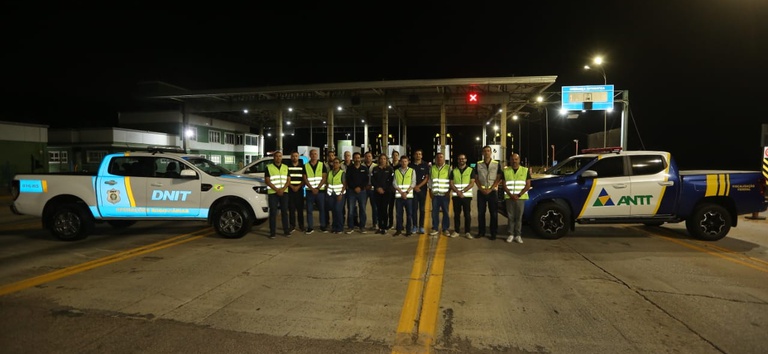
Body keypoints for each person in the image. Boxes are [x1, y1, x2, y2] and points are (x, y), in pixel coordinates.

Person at [502, 152, 531, 244]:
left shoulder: (525, 170)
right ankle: (511, 234)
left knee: (519, 217)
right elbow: (504, 185)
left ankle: (518, 235)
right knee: (510, 217)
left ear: (519, 160)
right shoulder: (506, 171)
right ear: (510, 160)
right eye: (512, 159)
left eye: (516, 159)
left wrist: (518, 195)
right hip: (509, 197)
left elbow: (528, 185)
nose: (514, 161)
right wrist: (511, 195)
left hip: (520, 198)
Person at [473, 145, 502, 240]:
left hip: (492, 192)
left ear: (491, 152)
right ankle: (481, 232)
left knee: (493, 213)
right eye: (485, 151)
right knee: (481, 213)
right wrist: (481, 189)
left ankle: (493, 232)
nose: (486, 152)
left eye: (488, 151)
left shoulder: (496, 164)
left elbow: (498, 177)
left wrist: (491, 188)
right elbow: (476, 178)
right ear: (482, 153)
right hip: (481, 192)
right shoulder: (478, 164)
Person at [265, 151, 291, 239]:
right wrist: (277, 190)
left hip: (284, 192)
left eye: (280, 156)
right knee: (273, 212)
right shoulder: (268, 167)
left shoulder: (285, 167)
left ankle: (286, 231)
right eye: (276, 156)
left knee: (284, 212)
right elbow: (267, 181)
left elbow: (288, 180)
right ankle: (272, 232)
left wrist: (282, 190)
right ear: (274, 157)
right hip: (273, 193)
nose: (278, 158)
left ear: (281, 157)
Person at [449, 153, 475, 238]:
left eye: (463, 159)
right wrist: (457, 192)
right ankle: (456, 231)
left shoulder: (470, 170)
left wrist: (462, 191)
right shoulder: (454, 171)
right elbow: (451, 183)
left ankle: (467, 232)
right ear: (457, 160)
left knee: (467, 214)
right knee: (456, 214)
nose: (461, 160)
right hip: (456, 196)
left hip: (466, 196)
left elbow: (472, 183)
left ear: (466, 160)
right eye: (460, 159)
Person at [303, 148, 327, 234]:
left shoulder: (322, 164)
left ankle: (323, 226)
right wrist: (312, 188)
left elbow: (324, 177)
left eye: (315, 154)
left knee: (322, 209)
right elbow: (305, 178)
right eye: (312, 154)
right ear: (310, 155)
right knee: (309, 210)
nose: (314, 155)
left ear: (317, 155)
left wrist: (317, 188)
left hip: (320, 191)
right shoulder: (305, 166)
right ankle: (310, 227)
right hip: (310, 191)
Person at [345, 152, 369, 234]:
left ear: (360, 158)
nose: (357, 159)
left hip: (362, 192)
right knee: (351, 210)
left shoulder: (364, 168)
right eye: (355, 158)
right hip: (352, 191)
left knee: (362, 209)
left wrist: (360, 187)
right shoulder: (350, 168)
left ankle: (362, 227)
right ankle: (350, 227)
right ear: (353, 158)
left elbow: (366, 180)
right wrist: (354, 187)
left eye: (358, 157)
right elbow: (348, 180)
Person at [429, 152, 451, 237]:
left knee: (445, 212)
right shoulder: (432, 168)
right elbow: (430, 181)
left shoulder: (448, 168)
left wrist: (448, 192)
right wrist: (430, 191)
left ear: (444, 158)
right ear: (435, 159)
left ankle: (445, 229)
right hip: (435, 195)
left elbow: (450, 181)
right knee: (435, 212)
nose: (439, 159)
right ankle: (435, 228)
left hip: (444, 195)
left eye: (441, 157)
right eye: (437, 157)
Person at [371, 153, 394, 235]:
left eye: (384, 159)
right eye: (381, 158)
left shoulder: (390, 169)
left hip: (386, 192)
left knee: (384, 209)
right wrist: (378, 188)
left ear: (386, 160)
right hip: (377, 192)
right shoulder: (375, 169)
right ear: (379, 160)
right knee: (379, 209)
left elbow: (391, 181)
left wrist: (384, 189)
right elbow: (373, 179)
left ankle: (385, 227)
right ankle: (380, 226)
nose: (383, 160)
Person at [392, 155, 415, 237]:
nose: (404, 163)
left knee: (409, 214)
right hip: (399, 197)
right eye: (402, 161)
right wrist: (401, 192)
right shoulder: (396, 171)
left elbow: (413, 183)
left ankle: (408, 231)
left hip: (408, 197)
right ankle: (399, 230)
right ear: (400, 162)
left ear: (408, 162)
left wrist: (406, 192)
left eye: (405, 161)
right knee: (399, 214)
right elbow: (394, 183)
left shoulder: (412, 171)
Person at [409, 149, 430, 234]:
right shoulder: (410, 165)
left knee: (422, 209)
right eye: (416, 154)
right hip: (413, 190)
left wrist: (418, 186)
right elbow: (408, 178)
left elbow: (427, 178)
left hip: (422, 190)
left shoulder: (425, 165)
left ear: (421, 156)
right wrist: (414, 187)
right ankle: (414, 226)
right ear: (414, 156)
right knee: (414, 209)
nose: (418, 155)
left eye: (419, 154)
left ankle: (421, 226)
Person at [326, 158, 347, 234]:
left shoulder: (342, 173)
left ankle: (340, 227)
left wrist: (341, 194)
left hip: (339, 195)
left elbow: (344, 185)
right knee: (334, 211)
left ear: (339, 164)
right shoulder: (330, 173)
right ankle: (334, 227)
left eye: (337, 162)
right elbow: (328, 183)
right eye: (334, 162)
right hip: (331, 195)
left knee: (338, 210)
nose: (335, 164)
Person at [286, 151, 305, 233]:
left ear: (298, 157)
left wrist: (298, 186)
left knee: (300, 209)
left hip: (299, 190)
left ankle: (301, 225)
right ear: (291, 157)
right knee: (291, 209)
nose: (294, 157)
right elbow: (286, 179)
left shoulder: (302, 167)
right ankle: (292, 225)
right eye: (293, 156)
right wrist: (292, 186)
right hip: (290, 190)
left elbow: (304, 179)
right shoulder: (287, 167)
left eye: (296, 156)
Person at [363, 151, 378, 230]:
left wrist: (372, 185)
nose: (368, 158)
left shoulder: (376, 166)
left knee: (375, 207)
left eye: (369, 156)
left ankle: (375, 223)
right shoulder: (361, 166)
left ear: (372, 157)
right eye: (366, 156)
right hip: (364, 189)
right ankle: (363, 223)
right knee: (363, 207)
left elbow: (377, 178)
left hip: (373, 189)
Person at [322, 150, 336, 231]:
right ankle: (327, 223)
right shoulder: (324, 165)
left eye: (332, 155)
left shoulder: (338, 165)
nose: (331, 157)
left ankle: (335, 223)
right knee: (326, 207)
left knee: (336, 208)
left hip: (336, 190)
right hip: (327, 189)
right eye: (329, 155)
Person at [387, 149, 400, 230]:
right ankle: (391, 223)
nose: (395, 157)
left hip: (398, 190)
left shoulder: (400, 166)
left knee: (399, 208)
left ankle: (399, 224)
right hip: (390, 190)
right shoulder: (389, 166)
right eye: (393, 155)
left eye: (396, 155)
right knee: (390, 208)